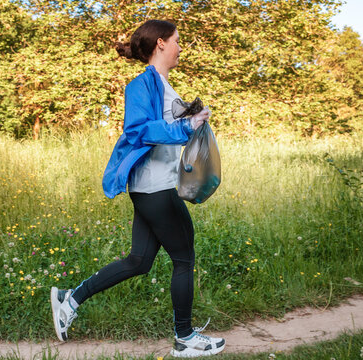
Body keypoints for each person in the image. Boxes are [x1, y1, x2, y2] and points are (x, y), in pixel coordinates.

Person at [50, 19, 225, 358]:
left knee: (139, 261)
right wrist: (187, 125)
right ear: (160, 43)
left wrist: (194, 120)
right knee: (184, 258)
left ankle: (69, 299)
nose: (179, 47)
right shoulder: (140, 85)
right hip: (156, 187)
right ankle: (184, 339)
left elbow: (168, 130)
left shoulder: (162, 85)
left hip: (154, 187)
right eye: (176, 40)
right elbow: (139, 131)